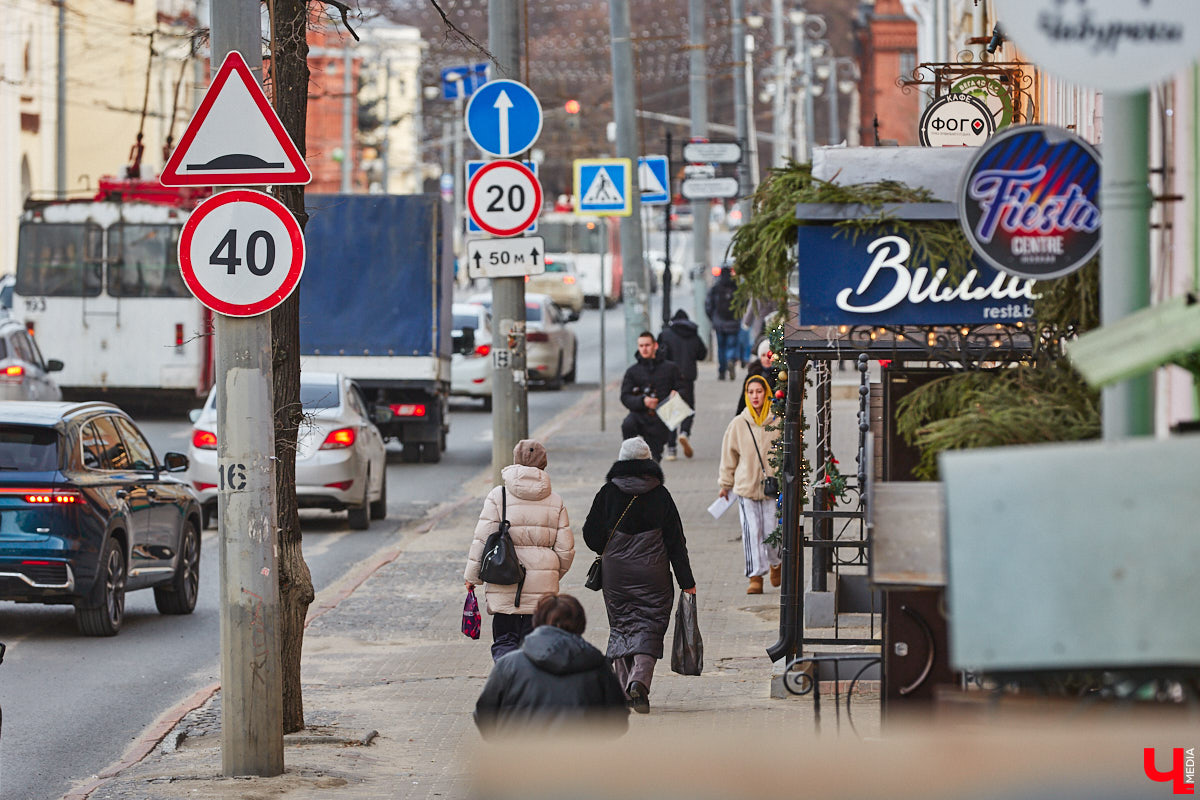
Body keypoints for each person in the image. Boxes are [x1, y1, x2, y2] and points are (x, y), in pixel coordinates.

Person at [583, 437, 696, 714]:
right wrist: (687, 582)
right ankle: (639, 682)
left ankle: (625, 690)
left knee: (622, 626)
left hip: (616, 575)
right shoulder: (661, 495)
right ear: (648, 462)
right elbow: (676, 543)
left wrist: (610, 547)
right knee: (650, 625)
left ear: (622, 461)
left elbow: (590, 535)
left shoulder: (608, 493)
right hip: (653, 573)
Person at [465, 439, 575, 661]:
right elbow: (566, 549)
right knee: (535, 643)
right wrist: (552, 574)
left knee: (505, 639)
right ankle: (530, 686)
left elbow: (482, 538)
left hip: (504, 577)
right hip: (543, 586)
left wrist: (472, 577)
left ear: (515, 461)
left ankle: (508, 678)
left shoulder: (499, 495)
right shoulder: (555, 500)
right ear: (544, 464)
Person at [473, 594, 630, 738]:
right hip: (579, 759)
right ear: (580, 624)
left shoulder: (510, 664)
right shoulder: (597, 664)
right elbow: (618, 721)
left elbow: (484, 716)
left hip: (521, 758)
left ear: (536, 621)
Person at [718, 375, 783, 594]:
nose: (755, 396)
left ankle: (776, 563)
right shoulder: (739, 423)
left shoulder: (778, 422)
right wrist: (725, 484)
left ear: (766, 393)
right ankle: (755, 576)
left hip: (772, 488)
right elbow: (729, 456)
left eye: (759, 391)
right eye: (751, 392)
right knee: (752, 532)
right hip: (746, 487)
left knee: (772, 532)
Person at [619, 332, 683, 462]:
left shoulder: (670, 368)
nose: (644, 349)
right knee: (628, 424)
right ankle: (628, 456)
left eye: (647, 345)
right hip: (639, 415)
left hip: (660, 418)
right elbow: (625, 396)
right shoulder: (632, 371)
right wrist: (643, 401)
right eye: (641, 346)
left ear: (655, 346)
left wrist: (677, 394)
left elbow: (683, 388)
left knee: (653, 461)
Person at [657, 309, 707, 460]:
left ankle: (671, 449)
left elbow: (659, 354)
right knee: (688, 408)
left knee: (672, 411)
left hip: (669, 378)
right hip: (687, 378)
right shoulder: (693, 334)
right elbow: (702, 354)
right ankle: (684, 432)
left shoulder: (665, 335)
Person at [705, 265, 740, 380]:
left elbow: (708, 305)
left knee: (721, 348)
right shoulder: (735, 287)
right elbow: (743, 304)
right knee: (731, 346)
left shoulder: (716, 288)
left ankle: (722, 371)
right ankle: (730, 360)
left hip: (719, 323)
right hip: (733, 323)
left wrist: (713, 318)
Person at [736, 339, 780, 415]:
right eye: (763, 355)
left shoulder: (780, 375)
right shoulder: (753, 373)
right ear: (760, 357)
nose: (767, 359)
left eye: (769, 355)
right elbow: (743, 398)